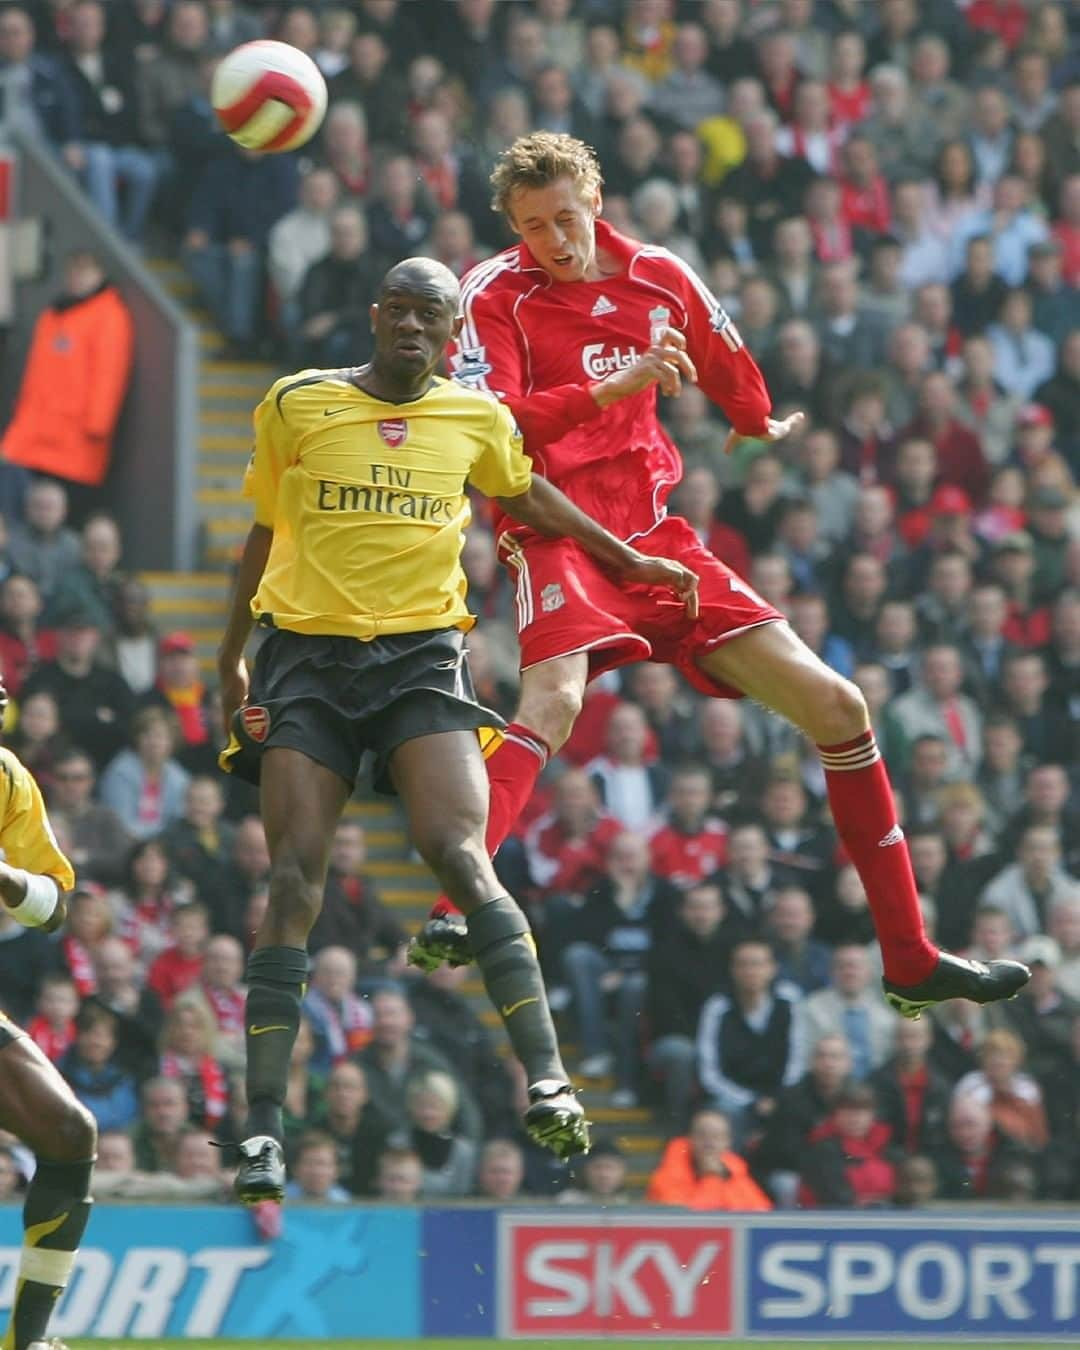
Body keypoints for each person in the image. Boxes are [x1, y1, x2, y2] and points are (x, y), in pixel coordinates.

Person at [409, 130, 1028, 1021]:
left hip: (656, 532)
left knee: (841, 707)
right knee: (553, 701)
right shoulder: (492, 293)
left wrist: (754, 416)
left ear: (597, 199)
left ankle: (910, 957)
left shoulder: (658, 273)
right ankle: (457, 902)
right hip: (556, 528)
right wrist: (615, 386)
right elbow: (493, 435)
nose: (554, 238)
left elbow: (725, 354)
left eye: (566, 216)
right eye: (533, 224)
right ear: (513, 226)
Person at [215, 253, 698, 1202]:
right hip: (305, 663)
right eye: (397, 309)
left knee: (462, 855)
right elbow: (264, 534)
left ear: (449, 336)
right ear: (374, 315)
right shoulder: (296, 404)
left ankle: (550, 1080)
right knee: (292, 877)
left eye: (429, 317)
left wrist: (624, 556)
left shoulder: (476, 419)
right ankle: (263, 1132)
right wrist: (230, 656)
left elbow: (527, 495)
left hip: (417, 664)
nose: (410, 326)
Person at [0, 678, 97, 1350]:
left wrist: (3, 877)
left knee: (69, 1132)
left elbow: (55, 906)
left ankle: (30, 1341)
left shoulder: (6, 779)